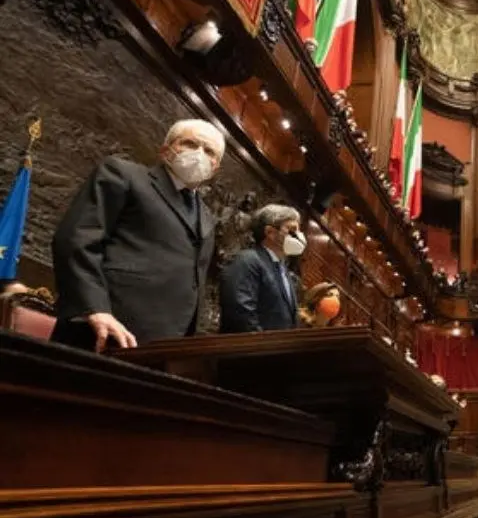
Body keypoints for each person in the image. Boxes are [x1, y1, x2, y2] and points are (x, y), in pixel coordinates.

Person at [51, 119, 223, 350]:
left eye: (209, 151)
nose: (199, 153)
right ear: (166, 149)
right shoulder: (123, 174)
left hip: (167, 344)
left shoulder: (207, 216)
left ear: (215, 167)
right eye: (190, 143)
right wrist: (93, 308)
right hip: (103, 331)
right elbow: (77, 239)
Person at [218, 205, 304, 333]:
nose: (298, 236)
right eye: (292, 230)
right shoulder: (247, 260)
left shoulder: (282, 269)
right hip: (252, 349)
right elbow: (240, 312)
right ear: (270, 232)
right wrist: (262, 345)